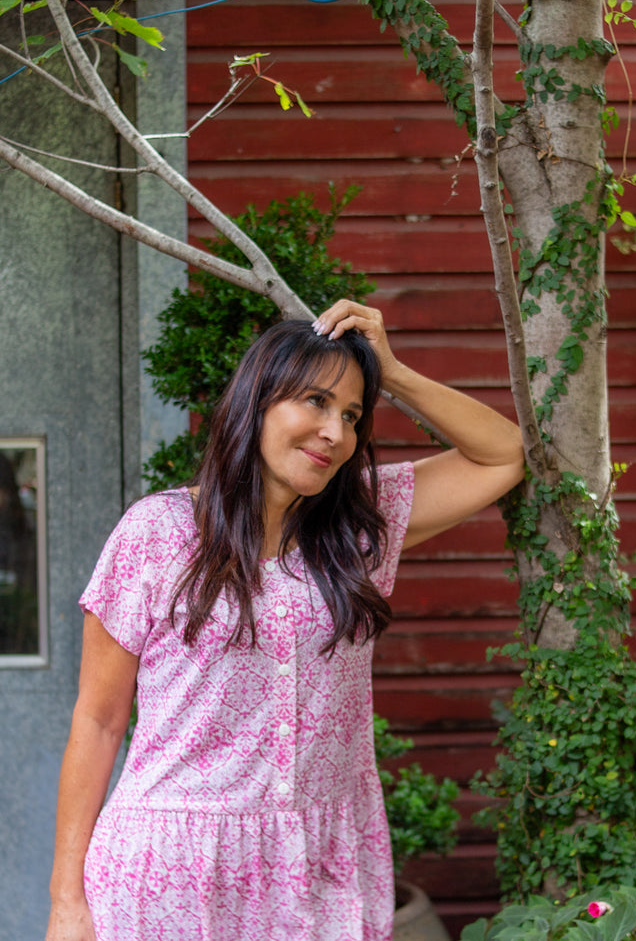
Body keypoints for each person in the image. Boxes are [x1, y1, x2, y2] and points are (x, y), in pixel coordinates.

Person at [45, 301, 524, 941]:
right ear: (258, 403)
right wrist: (66, 902)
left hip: (318, 865)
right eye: (316, 403)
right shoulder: (156, 533)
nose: (335, 432)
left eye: (352, 415)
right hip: (172, 870)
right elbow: (99, 721)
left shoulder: (357, 529)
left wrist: (395, 372)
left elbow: (503, 453)